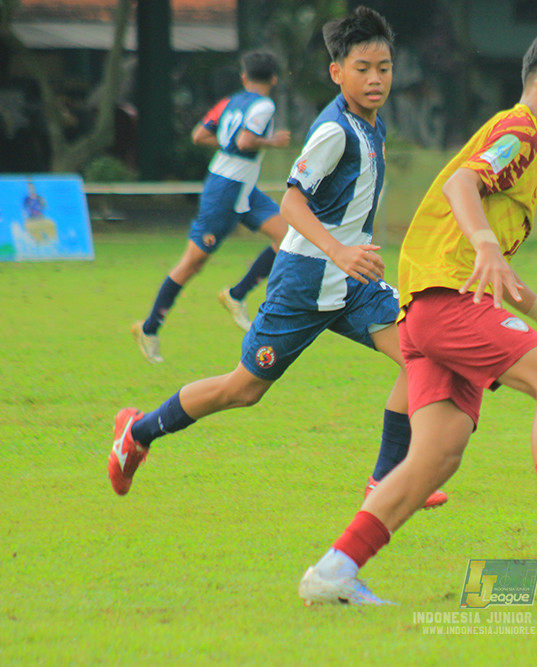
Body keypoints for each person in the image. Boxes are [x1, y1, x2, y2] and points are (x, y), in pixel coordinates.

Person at [298, 25, 537, 607]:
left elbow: (492, 266)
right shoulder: (520, 132)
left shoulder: (525, 142)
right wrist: (484, 242)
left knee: (435, 456)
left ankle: (333, 571)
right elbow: (462, 185)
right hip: (446, 302)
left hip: (426, 310)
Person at [109, 7, 446, 511]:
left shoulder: (371, 125)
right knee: (243, 389)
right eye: (363, 69)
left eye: (384, 68)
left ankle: (386, 479)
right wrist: (339, 250)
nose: (376, 79)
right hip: (304, 281)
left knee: (422, 355)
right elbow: (291, 203)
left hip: (353, 283)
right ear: (337, 72)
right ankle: (137, 434)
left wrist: (348, 256)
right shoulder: (335, 131)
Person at [131, 50, 291, 364]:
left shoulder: (230, 101)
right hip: (225, 190)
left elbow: (199, 135)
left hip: (242, 186)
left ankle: (236, 294)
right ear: (273, 79)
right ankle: (148, 328)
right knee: (192, 263)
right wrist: (272, 142)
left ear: (244, 77)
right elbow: (245, 142)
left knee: (288, 237)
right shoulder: (265, 105)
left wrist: (231, 141)